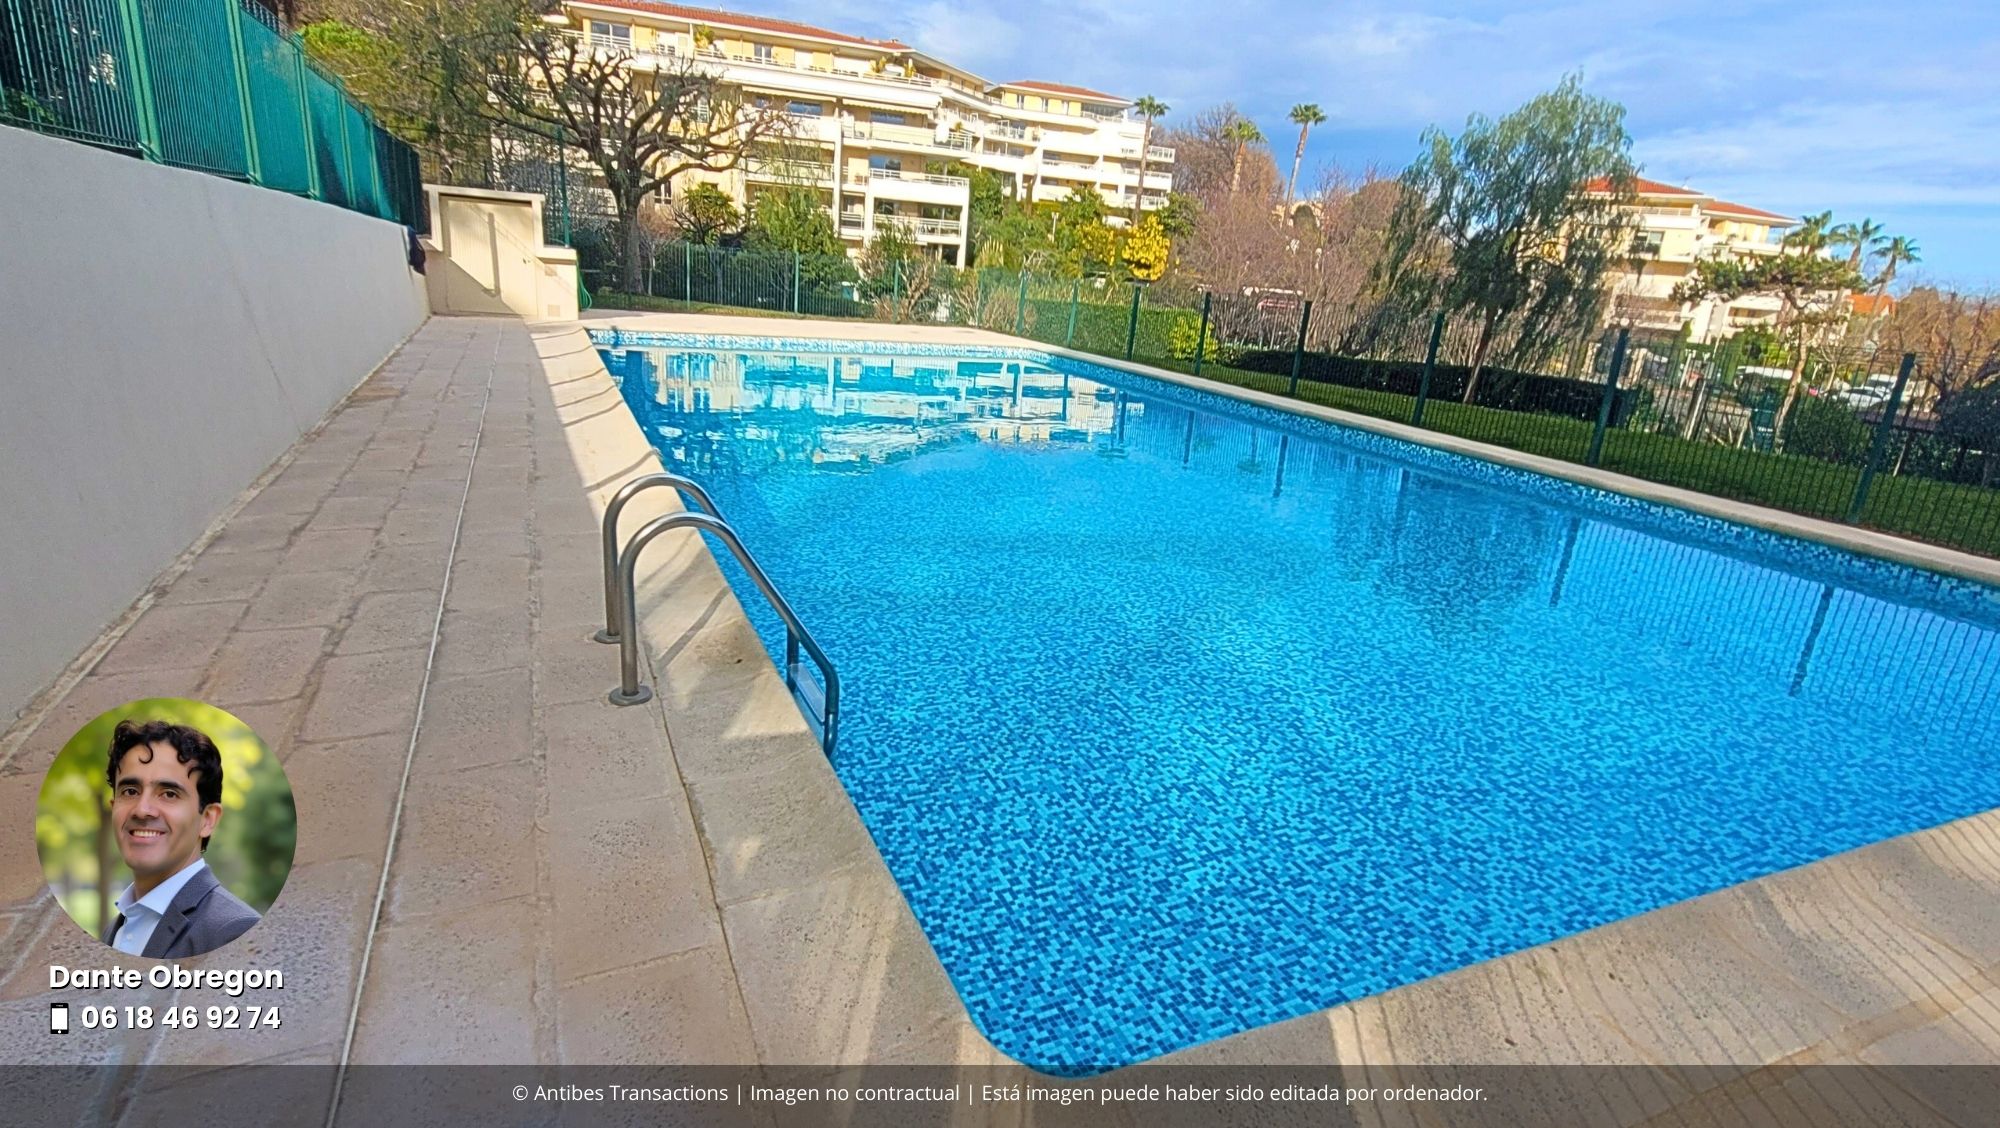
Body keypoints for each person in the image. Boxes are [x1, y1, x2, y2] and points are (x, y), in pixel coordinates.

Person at [101, 719, 260, 957]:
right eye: (130, 791)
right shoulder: (114, 930)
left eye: (169, 794)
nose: (142, 810)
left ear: (207, 820)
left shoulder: (235, 932)